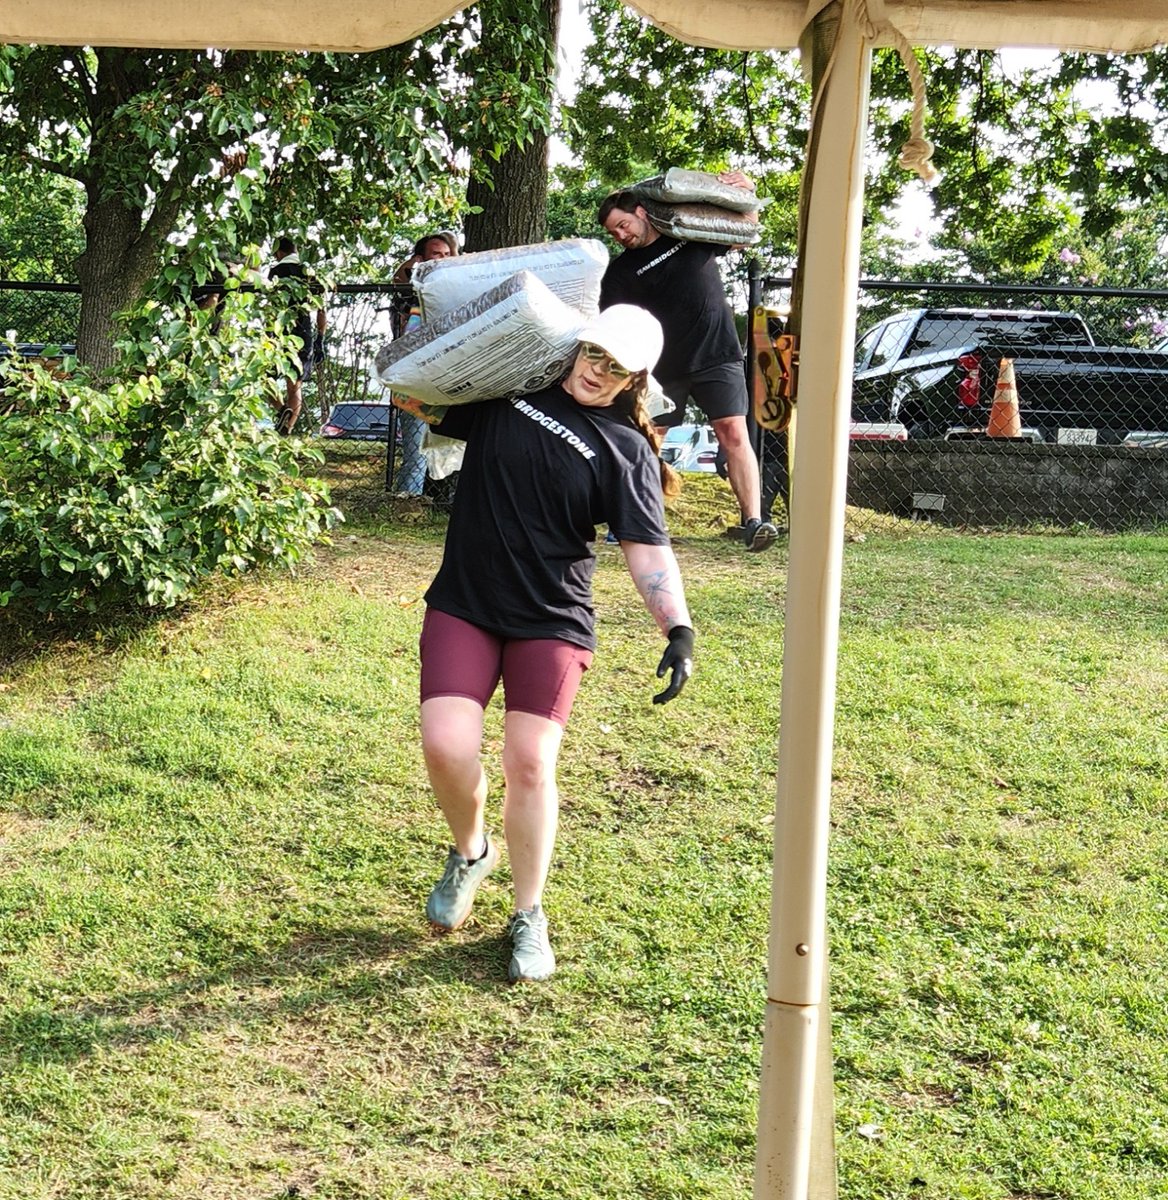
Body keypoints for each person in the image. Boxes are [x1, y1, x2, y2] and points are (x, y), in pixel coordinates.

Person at [418, 304, 695, 983]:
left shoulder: (625, 449)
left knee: (530, 763)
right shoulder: (506, 394)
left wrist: (678, 629)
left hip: (551, 617)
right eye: (593, 355)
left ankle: (528, 913)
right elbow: (418, 393)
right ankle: (471, 852)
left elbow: (646, 550)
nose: (598, 373)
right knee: (446, 744)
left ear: (636, 378)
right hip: (467, 601)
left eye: (617, 368)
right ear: (577, 347)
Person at [598, 172, 780, 552]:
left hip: (718, 356)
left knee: (734, 434)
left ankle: (753, 521)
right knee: (649, 442)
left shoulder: (689, 235)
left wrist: (747, 189)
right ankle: (631, 521)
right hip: (661, 368)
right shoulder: (621, 271)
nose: (620, 235)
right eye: (613, 232)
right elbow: (614, 322)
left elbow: (745, 227)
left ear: (642, 212)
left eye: (623, 224)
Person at [390, 231, 460, 495]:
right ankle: (408, 499)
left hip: (450, 374)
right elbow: (399, 276)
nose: (442, 260)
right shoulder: (410, 289)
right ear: (420, 258)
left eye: (446, 255)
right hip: (415, 375)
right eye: (435, 254)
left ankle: (445, 497)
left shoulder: (457, 288)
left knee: (453, 443)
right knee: (416, 443)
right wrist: (419, 263)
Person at [268, 236, 327, 435]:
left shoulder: (275, 272)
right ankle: (287, 429)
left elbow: (269, 304)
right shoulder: (309, 272)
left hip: (278, 329)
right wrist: (321, 337)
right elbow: (321, 309)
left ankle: (281, 409)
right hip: (303, 330)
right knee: (295, 385)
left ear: (278, 252)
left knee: (264, 378)